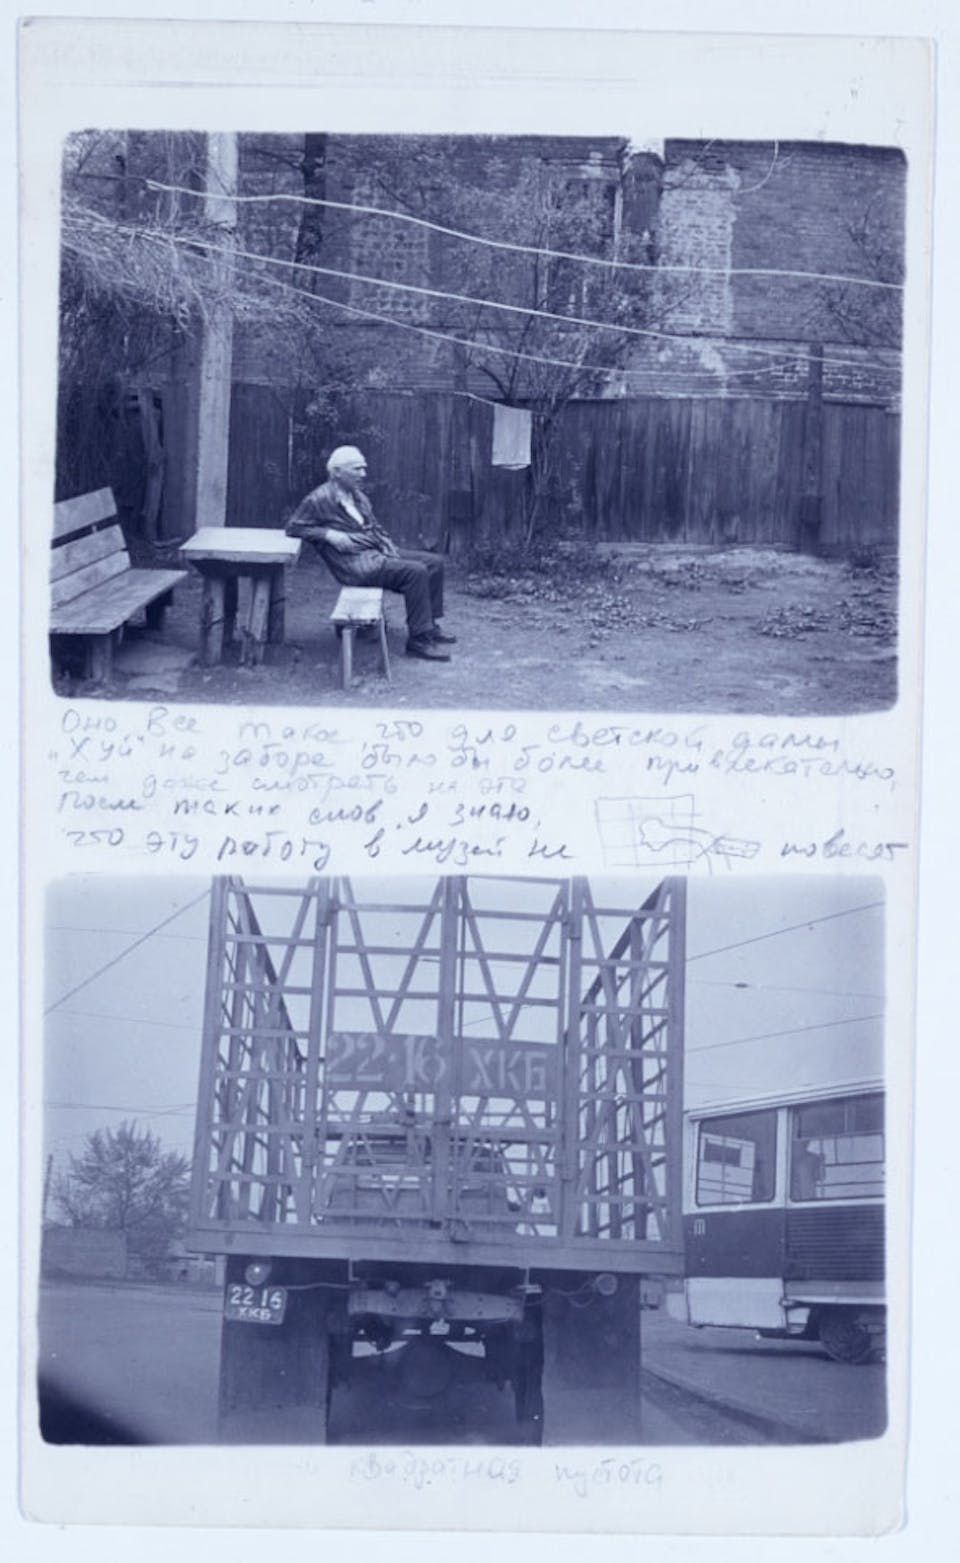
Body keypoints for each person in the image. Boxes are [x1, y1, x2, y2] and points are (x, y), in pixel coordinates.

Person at [286, 446, 456, 662]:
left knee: (434, 563)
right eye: (356, 469)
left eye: (363, 468)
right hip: (356, 565)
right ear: (337, 472)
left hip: (376, 551)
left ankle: (429, 625)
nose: (363, 474)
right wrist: (328, 534)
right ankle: (419, 640)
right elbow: (294, 527)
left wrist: (387, 545)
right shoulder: (319, 499)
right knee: (416, 572)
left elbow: (373, 526)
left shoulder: (358, 497)